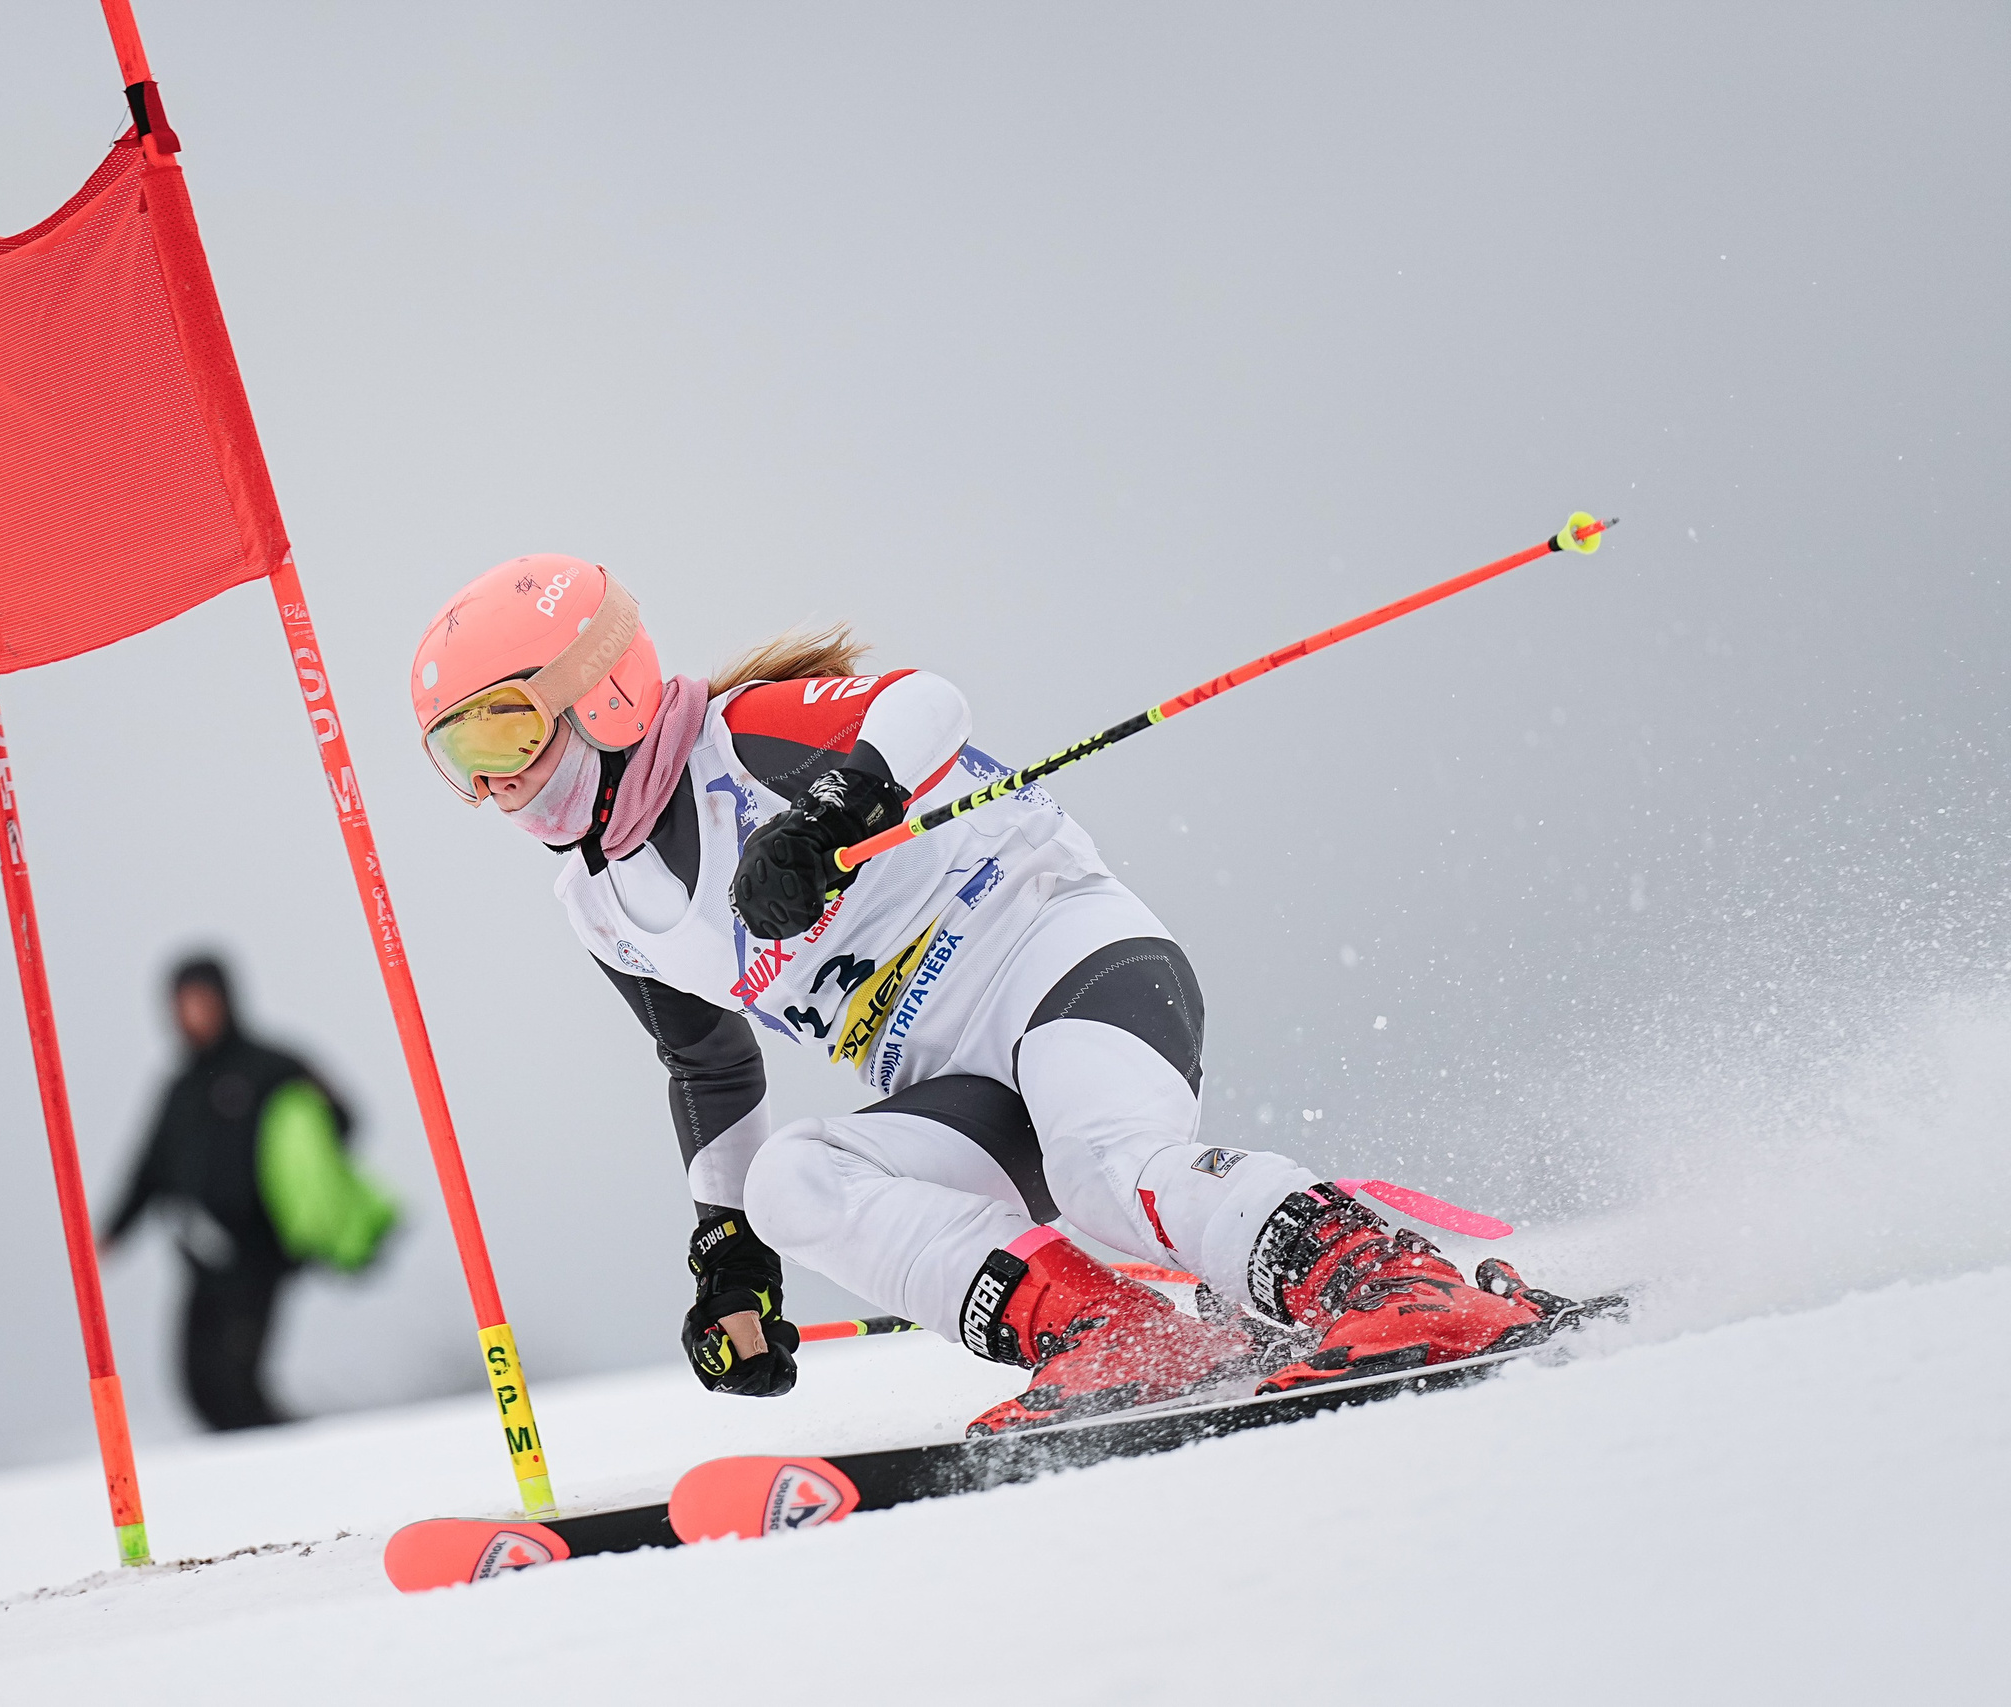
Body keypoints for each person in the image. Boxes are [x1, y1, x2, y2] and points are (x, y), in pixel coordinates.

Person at [409, 556, 1589, 1434]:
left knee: (1103, 1169)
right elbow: (708, 1066)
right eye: (459, 756)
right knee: (790, 1183)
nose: (495, 781)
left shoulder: (736, 737)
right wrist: (727, 1254)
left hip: (1062, 958)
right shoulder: (602, 907)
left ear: (598, 691)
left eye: (506, 728)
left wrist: (834, 809)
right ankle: (1114, 1341)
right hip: (959, 1083)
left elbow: (925, 705)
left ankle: (1395, 1282)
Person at [101, 956, 396, 1432]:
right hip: (200, 1255)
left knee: (235, 1381)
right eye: (184, 1004)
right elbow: (149, 1169)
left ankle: (291, 1455)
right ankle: (270, 1455)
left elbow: (345, 1120)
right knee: (199, 1386)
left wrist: (315, 1118)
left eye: (204, 1001)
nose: (196, 1013)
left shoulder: (273, 1065)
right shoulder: (179, 1089)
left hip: (261, 1252)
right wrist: (112, 1232)